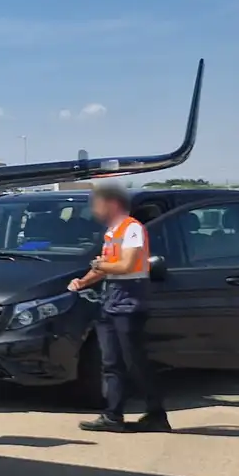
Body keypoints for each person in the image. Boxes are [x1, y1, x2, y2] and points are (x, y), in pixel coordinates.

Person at [70, 183, 169, 432]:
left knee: (134, 360)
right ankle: (113, 416)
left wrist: (101, 265)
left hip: (130, 298)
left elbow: (126, 265)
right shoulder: (112, 232)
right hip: (111, 298)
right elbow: (104, 266)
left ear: (112, 203)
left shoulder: (132, 228)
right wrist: (82, 282)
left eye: (98, 204)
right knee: (111, 361)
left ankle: (156, 413)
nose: (95, 210)